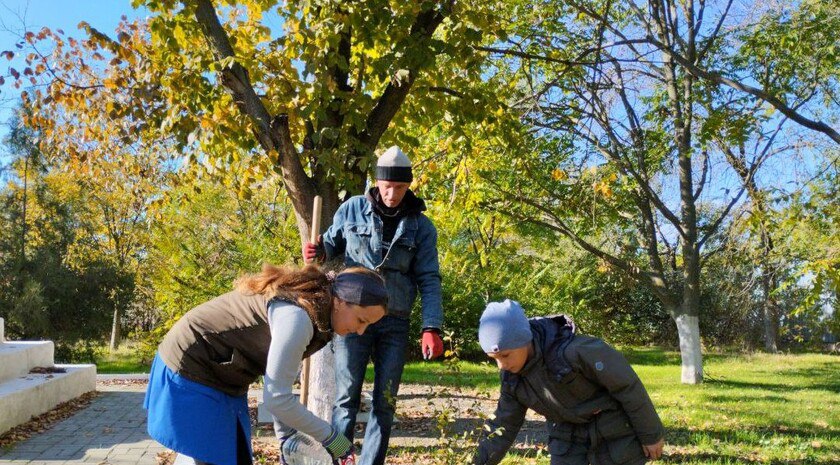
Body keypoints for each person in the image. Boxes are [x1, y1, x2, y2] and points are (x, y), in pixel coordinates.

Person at [144, 264, 389, 465]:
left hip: (221, 375)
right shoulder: (298, 318)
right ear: (340, 302)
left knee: (232, 457)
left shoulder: (317, 311)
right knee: (214, 457)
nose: (361, 331)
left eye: (368, 326)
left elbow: (278, 380)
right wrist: (331, 437)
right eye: (361, 320)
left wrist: (287, 439)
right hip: (192, 369)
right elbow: (277, 398)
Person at [303, 146, 444, 465]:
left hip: (395, 321)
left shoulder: (422, 227)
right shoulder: (352, 209)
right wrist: (318, 251)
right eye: (387, 186)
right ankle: (338, 460)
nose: (392, 194)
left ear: (409, 186)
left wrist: (431, 327)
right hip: (351, 315)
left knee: (385, 401)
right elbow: (329, 246)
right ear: (377, 183)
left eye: (400, 187)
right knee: (346, 398)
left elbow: (429, 278)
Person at [473, 300, 665, 465]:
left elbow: (627, 387)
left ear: (524, 340)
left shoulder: (576, 352)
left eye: (505, 355)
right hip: (566, 437)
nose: (501, 365)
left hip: (614, 432)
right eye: (494, 358)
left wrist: (651, 435)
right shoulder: (512, 379)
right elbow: (503, 425)